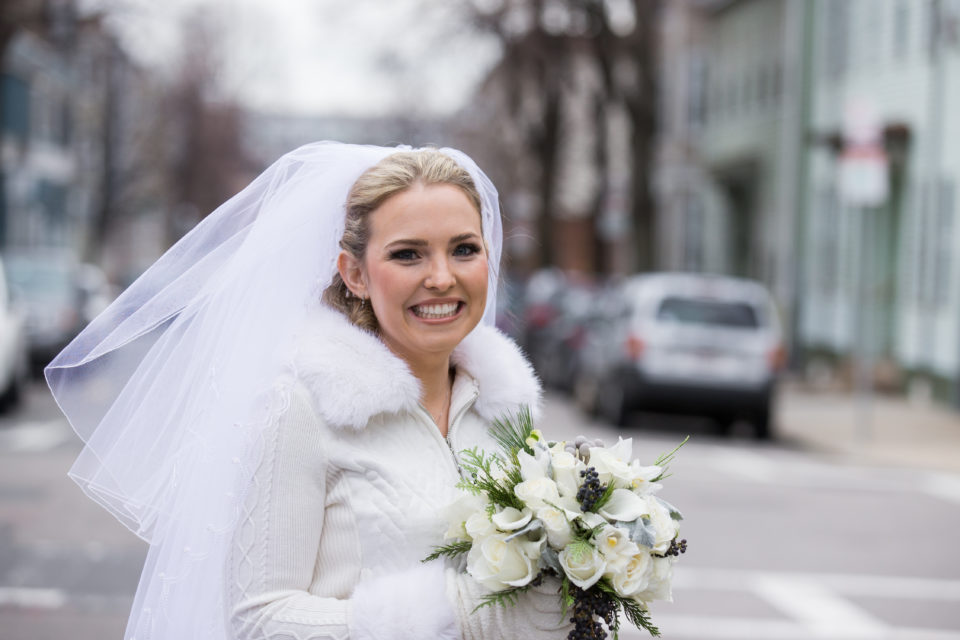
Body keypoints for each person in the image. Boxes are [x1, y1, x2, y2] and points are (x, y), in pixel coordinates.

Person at [46, 142, 572, 640]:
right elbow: (259, 619)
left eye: (463, 249)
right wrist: (447, 617)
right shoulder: (303, 406)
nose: (441, 277)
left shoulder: (506, 406)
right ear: (355, 274)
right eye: (408, 254)